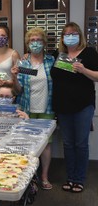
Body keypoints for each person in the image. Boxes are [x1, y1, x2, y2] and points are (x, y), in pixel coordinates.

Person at [50, 22, 98, 193]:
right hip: (63, 106)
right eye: (67, 34)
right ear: (62, 37)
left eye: (74, 33)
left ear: (80, 35)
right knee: (68, 144)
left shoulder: (89, 53)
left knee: (81, 143)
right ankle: (70, 178)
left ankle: (79, 179)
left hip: (83, 105)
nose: (70, 36)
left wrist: (84, 70)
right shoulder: (58, 54)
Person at [12, 27, 55, 190]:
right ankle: (29, 177)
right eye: (32, 40)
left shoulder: (51, 60)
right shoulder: (23, 62)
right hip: (26, 108)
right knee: (27, 143)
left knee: (46, 144)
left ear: (44, 43)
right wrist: (14, 77)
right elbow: (18, 90)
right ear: (27, 43)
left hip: (47, 108)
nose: (35, 43)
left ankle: (44, 176)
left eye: (38, 40)